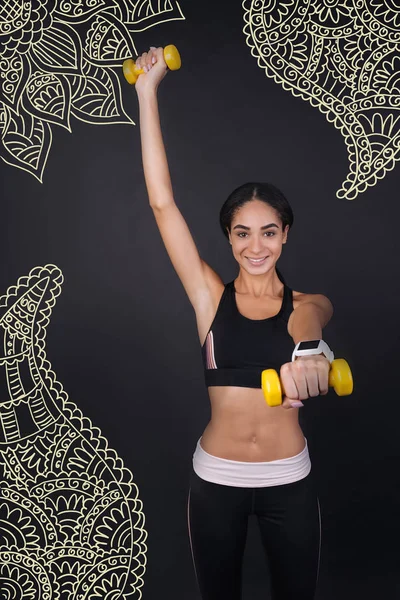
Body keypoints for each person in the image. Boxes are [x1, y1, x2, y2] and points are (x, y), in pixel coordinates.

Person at [134, 46, 334, 600]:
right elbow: (161, 202)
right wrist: (147, 94)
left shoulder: (306, 304)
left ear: (285, 235)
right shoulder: (208, 297)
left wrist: (311, 351)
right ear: (228, 238)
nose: (255, 246)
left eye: (268, 231)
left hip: (288, 482)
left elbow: (310, 319)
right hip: (215, 481)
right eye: (242, 233)